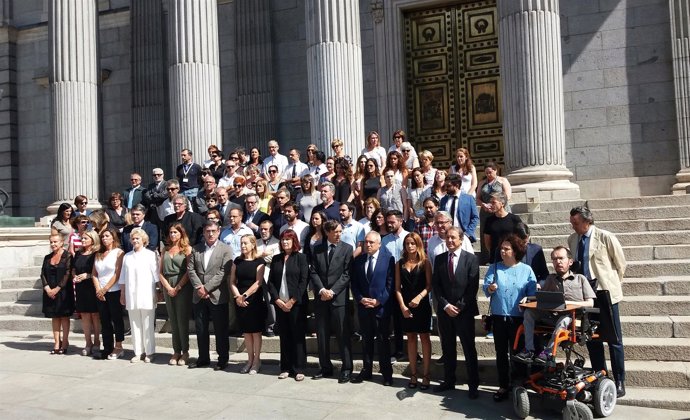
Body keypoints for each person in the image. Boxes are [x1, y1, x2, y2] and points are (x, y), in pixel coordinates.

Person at [568, 206, 627, 397]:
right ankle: (601, 377)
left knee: (614, 339)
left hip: (605, 293)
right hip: (585, 295)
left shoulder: (605, 237)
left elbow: (620, 264)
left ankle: (619, 381)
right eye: (572, 222)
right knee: (591, 338)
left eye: (576, 223)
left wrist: (612, 286)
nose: (573, 226)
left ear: (587, 221)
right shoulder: (572, 239)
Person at [516, 246, 595, 364]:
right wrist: (528, 298)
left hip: (572, 318)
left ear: (570, 261)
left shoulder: (580, 279)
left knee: (563, 320)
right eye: (554, 259)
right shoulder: (550, 279)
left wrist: (569, 303)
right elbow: (541, 298)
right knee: (529, 313)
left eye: (561, 258)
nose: (558, 261)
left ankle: (548, 352)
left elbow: (590, 303)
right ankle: (529, 350)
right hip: (552, 316)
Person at [483, 234, 537, 402]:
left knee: (518, 353)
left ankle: (519, 385)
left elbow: (533, 293)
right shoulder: (494, 267)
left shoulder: (526, 269)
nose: (503, 251)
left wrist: (528, 298)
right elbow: (486, 288)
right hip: (499, 317)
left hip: (519, 319)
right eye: (502, 248)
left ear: (515, 251)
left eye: (507, 249)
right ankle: (503, 385)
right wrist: (491, 288)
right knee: (500, 353)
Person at [432, 227, 480, 398]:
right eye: (447, 237)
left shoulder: (471, 259)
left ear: (461, 239)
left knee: (469, 348)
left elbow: (472, 287)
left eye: (453, 237)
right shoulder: (439, 259)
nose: (450, 240)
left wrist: (459, 307)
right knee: (448, 347)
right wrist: (445, 305)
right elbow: (436, 286)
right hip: (445, 312)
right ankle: (448, 380)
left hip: (464, 312)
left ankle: (473, 384)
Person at [309, 219, 354, 383]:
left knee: (343, 334)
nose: (339, 235)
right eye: (336, 232)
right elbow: (313, 271)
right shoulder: (318, 248)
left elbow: (347, 274)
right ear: (327, 232)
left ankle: (347, 368)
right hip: (321, 298)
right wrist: (322, 290)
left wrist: (333, 291)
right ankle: (325, 367)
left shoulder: (347, 249)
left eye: (340, 232)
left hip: (338, 298)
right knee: (322, 334)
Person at [350, 231, 395, 386]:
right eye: (366, 242)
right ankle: (367, 370)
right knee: (366, 341)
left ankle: (387, 374)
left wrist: (378, 301)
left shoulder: (388, 260)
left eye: (371, 242)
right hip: (364, 307)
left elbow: (390, 284)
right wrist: (361, 299)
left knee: (383, 341)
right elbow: (354, 284)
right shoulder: (359, 260)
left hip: (380, 308)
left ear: (379, 244)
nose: (368, 245)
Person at [187, 221, 233, 370]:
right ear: (204, 232)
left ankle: (222, 359)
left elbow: (223, 272)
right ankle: (203, 358)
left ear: (219, 231)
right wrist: (199, 288)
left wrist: (206, 288)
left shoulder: (225, 249)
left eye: (213, 231)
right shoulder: (196, 249)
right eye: (208, 231)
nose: (210, 233)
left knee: (220, 329)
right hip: (198, 295)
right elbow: (191, 269)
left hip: (217, 295)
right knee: (201, 329)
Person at [267, 230, 310, 381]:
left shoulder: (301, 258)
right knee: (284, 336)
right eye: (283, 239)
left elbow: (303, 282)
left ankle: (299, 368)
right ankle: (285, 367)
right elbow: (270, 282)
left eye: (288, 239)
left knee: (297, 336)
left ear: (294, 241)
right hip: (280, 304)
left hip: (296, 304)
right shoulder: (276, 259)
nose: (285, 242)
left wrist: (292, 301)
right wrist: (277, 300)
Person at [395, 232, 432, 390]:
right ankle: (413, 374)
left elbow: (429, 285)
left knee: (424, 337)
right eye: (407, 243)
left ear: (418, 244)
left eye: (412, 243)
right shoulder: (400, 263)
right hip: (406, 305)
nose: (409, 246)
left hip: (422, 305)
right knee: (410, 338)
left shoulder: (425, 262)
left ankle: (426, 374)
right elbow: (397, 288)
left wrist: (420, 297)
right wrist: (403, 306)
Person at [118, 228, 158, 363]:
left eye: (138, 238)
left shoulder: (150, 255)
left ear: (144, 240)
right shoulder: (127, 256)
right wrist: (122, 294)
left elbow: (156, 275)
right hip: (131, 293)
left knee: (147, 323)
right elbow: (122, 277)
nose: (135, 241)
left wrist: (158, 292)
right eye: (133, 239)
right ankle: (138, 352)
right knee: (134, 324)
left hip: (146, 292)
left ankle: (149, 351)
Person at [230, 234, 267, 375]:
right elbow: (232, 281)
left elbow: (258, 282)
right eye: (241, 243)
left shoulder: (259, 261)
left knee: (256, 332)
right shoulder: (237, 261)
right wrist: (237, 296)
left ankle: (257, 360)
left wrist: (245, 295)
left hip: (254, 299)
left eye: (246, 243)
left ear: (253, 245)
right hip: (240, 299)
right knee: (246, 332)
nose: (243, 246)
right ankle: (249, 359)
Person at [159, 223, 193, 366]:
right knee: (172, 318)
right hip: (168, 284)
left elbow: (188, 271)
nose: (173, 235)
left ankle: (185, 351)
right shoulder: (165, 249)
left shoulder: (187, 249)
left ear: (181, 234)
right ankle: (176, 350)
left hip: (182, 285)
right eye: (171, 232)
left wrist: (178, 287)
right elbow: (160, 271)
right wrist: (167, 286)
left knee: (182, 319)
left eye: (176, 232)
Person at [93, 228, 125, 360]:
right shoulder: (98, 254)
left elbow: (117, 274)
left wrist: (105, 288)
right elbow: (94, 273)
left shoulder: (119, 253)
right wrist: (98, 290)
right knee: (104, 320)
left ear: (113, 238)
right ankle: (107, 347)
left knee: (116, 319)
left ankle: (118, 346)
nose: (104, 238)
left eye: (107, 236)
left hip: (114, 290)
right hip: (100, 292)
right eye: (102, 236)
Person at [41, 234, 74, 354]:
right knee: (54, 317)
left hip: (64, 292)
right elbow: (42, 274)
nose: (53, 244)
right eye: (51, 242)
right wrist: (47, 288)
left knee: (64, 317)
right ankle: (56, 342)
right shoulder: (47, 257)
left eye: (55, 242)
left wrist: (58, 288)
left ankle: (65, 342)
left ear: (62, 242)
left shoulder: (68, 256)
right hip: (49, 292)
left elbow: (67, 273)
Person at [72, 230, 101, 356]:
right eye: (82, 238)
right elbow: (73, 268)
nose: (83, 241)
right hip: (81, 287)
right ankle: (88, 343)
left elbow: (100, 272)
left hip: (92, 286)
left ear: (93, 240)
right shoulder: (78, 254)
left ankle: (96, 342)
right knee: (84, 315)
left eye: (85, 239)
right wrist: (75, 276)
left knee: (95, 315)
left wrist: (87, 275)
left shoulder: (96, 253)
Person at [477, 161, 512, 263]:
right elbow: (477, 198)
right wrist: (483, 204)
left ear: (495, 170)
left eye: (490, 172)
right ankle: (487, 257)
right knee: (486, 234)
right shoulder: (482, 183)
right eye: (486, 173)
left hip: (501, 209)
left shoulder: (502, 180)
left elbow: (507, 196)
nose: (488, 175)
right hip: (486, 211)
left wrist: (497, 205)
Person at [440, 174, 479, 252]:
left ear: (456, 185)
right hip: (447, 237)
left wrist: (468, 234)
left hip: (463, 237)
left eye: (448, 186)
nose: (446, 188)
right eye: (445, 185)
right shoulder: (443, 200)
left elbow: (475, 217)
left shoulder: (468, 199)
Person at [256, 220, 281, 337]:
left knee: (270, 302)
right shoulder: (255, 242)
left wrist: (259, 256)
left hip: (270, 277)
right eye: (261, 229)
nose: (263, 231)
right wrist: (263, 255)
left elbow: (274, 259)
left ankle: (271, 326)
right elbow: (251, 257)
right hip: (255, 277)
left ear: (271, 230)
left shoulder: (277, 243)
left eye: (266, 229)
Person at [484, 192, 523, 263]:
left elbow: (521, 238)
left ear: (502, 203)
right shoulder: (489, 220)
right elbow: (487, 241)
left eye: (493, 202)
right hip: (495, 258)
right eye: (490, 202)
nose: (491, 205)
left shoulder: (514, 219)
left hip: (512, 257)